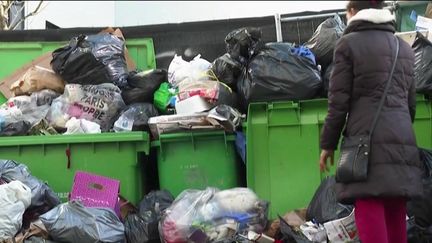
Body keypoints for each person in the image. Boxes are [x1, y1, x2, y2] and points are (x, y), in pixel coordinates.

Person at [319, 1, 423, 243]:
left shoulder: (348, 45)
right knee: (396, 208)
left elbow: (338, 103)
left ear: (353, 12)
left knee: (368, 201)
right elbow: (411, 105)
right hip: (403, 140)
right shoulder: (404, 48)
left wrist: (328, 145)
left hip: (366, 141)